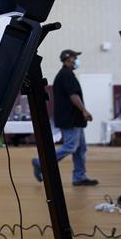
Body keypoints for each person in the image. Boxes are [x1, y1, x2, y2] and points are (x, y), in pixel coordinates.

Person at [31, 50, 98, 186]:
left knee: (80, 149)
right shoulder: (66, 75)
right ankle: (40, 162)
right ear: (68, 59)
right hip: (70, 118)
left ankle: (79, 177)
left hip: (74, 119)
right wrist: (84, 110)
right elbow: (73, 95)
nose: (77, 60)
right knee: (71, 146)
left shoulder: (66, 74)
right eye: (75, 57)